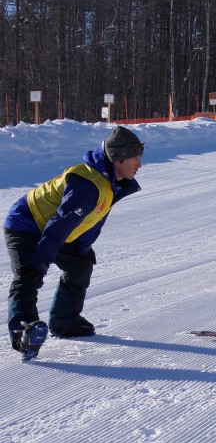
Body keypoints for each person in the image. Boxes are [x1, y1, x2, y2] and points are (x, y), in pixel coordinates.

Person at [4, 126, 143, 359]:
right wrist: (38, 263)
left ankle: (65, 321)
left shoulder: (110, 181)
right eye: (135, 159)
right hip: (26, 223)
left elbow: (92, 219)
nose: (139, 164)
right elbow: (60, 226)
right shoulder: (88, 185)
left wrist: (82, 248)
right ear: (118, 158)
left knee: (81, 264)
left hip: (54, 226)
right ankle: (23, 333)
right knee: (28, 274)